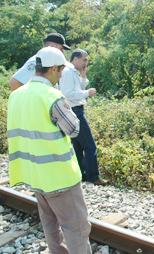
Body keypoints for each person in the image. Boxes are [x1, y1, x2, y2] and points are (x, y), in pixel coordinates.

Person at [7, 47, 91, 253]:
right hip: (59, 177)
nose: (62, 74)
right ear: (53, 69)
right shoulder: (52, 96)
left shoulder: (16, 95)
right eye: (61, 70)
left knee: (50, 225)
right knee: (76, 228)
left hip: (35, 175)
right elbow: (73, 129)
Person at [58, 49, 107, 185]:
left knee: (78, 146)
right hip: (74, 111)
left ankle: (81, 175)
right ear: (76, 59)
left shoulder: (72, 71)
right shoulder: (68, 71)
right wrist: (87, 93)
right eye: (84, 60)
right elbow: (68, 93)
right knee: (90, 145)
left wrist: (83, 75)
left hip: (74, 110)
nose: (86, 62)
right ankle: (94, 177)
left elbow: (78, 87)